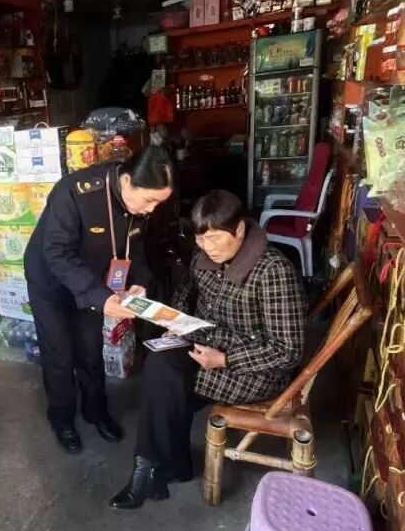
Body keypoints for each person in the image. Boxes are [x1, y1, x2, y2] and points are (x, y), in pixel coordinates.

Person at [110, 189, 306, 509]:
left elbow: (287, 351)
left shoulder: (273, 271)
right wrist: (176, 319)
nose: (207, 247)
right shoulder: (203, 257)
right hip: (206, 341)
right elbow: (188, 291)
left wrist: (225, 359)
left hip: (254, 369)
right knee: (160, 363)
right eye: (200, 238)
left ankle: (152, 471)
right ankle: (157, 467)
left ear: (239, 230)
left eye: (214, 238)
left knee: (165, 383)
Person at [24, 145, 174, 454]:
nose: (151, 210)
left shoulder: (136, 205)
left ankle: (96, 412)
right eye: (149, 200)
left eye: (158, 203)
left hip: (92, 280)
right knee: (59, 353)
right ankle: (62, 419)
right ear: (127, 180)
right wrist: (100, 297)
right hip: (51, 281)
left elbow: (135, 249)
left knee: (90, 348)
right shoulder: (75, 192)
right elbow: (56, 253)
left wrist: (138, 282)